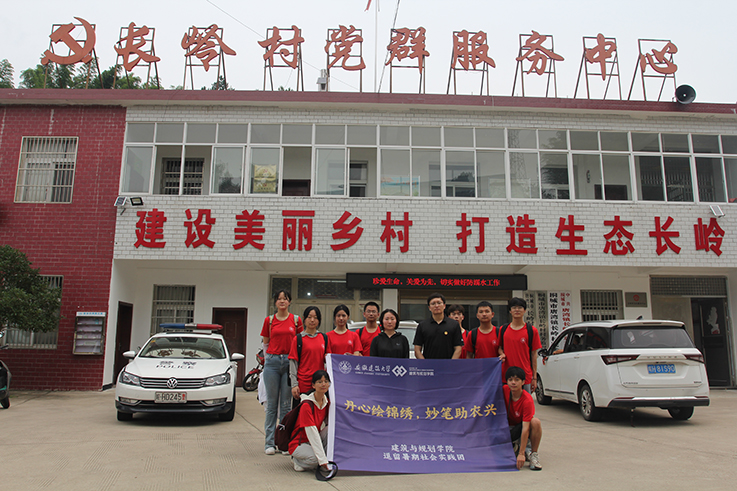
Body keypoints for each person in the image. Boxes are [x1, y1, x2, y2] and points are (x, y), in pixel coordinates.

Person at [261, 289, 303, 455]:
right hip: (272, 363)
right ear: (275, 302)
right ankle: (269, 443)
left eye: (285, 299)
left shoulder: (296, 320)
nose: (282, 301)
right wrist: (268, 360)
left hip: (289, 363)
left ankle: (283, 443)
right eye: (279, 299)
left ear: (289, 302)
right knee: (272, 405)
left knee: (286, 405)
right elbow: (265, 343)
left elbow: (300, 342)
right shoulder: (269, 320)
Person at [290, 370, 332, 472]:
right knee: (316, 460)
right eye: (319, 382)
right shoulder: (306, 405)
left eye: (326, 381)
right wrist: (322, 460)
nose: (323, 384)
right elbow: (311, 432)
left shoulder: (326, 402)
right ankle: (297, 460)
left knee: (330, 429)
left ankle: (322, 460)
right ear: (313, 385)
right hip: (299, 443)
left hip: (312, 442)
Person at [503, 366, 543, 471]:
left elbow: (525, 428)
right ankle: (514, 446)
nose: (513, 383)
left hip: (522, 427)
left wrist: (521, 454)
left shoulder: (527, 400)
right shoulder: (504, 390)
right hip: (506, 428)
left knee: (535, 422)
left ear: (523, 382)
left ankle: (533, 454)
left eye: (517, 380)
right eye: (510, 379)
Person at [500, 297, 542, 393]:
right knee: (506, 401)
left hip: (525, 376)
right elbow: (499, 348)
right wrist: (502, 354)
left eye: (520, 307)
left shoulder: (532, 330)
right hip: (506, 376)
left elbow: (534, 355)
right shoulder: (503, 329)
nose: (517, 310)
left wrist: (534, 377)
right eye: (514, 307)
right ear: (510, 311)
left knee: (525, 401)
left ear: (525, 310)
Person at [289, 307, 329, 407]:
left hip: (319, 385)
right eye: (309, 317)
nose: (312, 320)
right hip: (303, 385)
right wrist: (294, 385)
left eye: (315, 317)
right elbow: (293, 363)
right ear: (304, 319)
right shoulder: (298, 339)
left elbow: (328, 360)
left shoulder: (324, 338)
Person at [413, 293, 463, 359]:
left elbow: (458, 348)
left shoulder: (454, 324)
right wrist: (424, 363)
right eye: (433, 304)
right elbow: (417, 349)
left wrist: (451, 363)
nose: (436, 306)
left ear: (444, 306)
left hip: (448, 363)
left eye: (439, 303)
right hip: (428, 363)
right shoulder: (422, 325)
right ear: (429, 308)